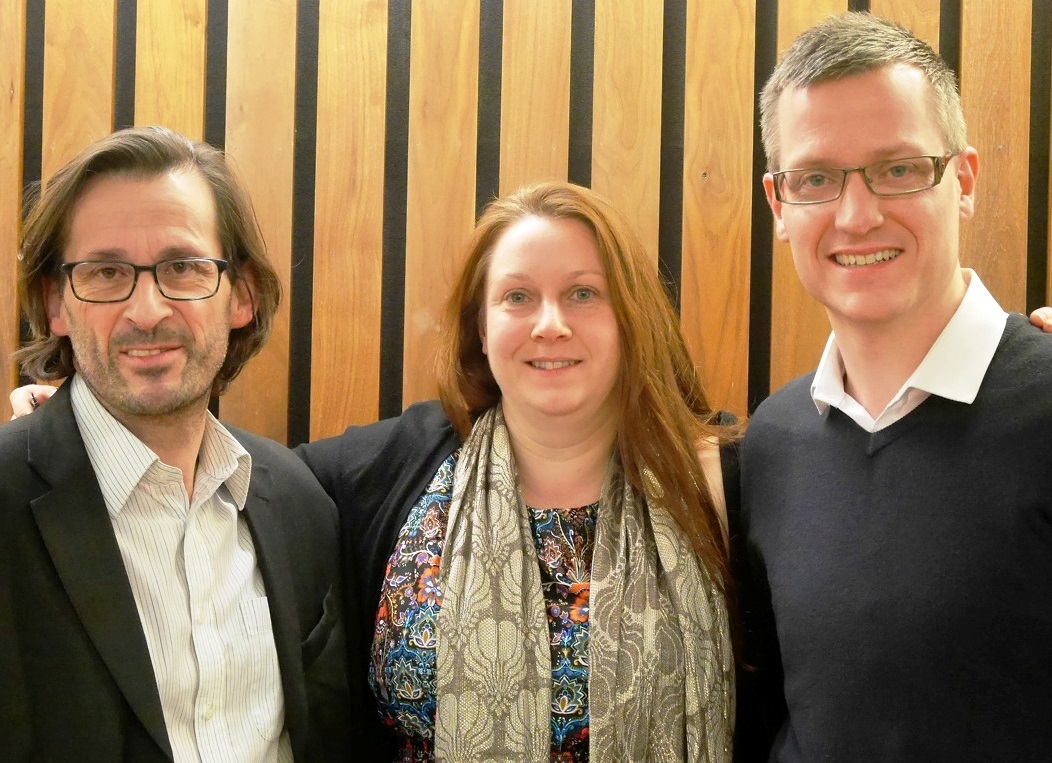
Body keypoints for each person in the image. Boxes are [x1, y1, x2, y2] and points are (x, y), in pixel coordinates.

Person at [13, 179, 740, 761]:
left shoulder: (720, 486)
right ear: (480, 329)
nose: (549, 322)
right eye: (516, 296)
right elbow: (220, 477)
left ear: (631, 316)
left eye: (584, 292)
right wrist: (72, 428)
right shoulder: (384, 473)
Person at [736, 12, 1052, 762]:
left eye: (898, 168)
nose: (857, 214)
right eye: (816, 178)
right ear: (780, 204)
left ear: (964, 180)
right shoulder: (773, 440)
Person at [0, 126, 349, 761]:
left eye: (182, 267)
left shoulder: (298, 504)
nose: (147, 310)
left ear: (239, 295)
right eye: (105, 272)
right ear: (55, 304)